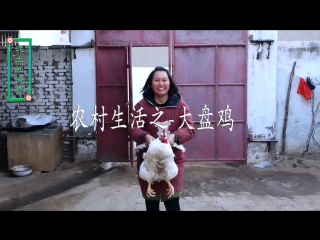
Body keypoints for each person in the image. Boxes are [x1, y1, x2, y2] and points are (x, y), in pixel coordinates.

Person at [128, 66, 195, 211]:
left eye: (164, 80)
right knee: (151, 206)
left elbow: (189, 128)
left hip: (171, 163)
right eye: (156, 80)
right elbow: (132, 129)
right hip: (149, 163)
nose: (161, 83)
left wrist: (174, 137)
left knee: (172, 204)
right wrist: (145, 136)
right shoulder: (141, 106)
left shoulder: (180, 106)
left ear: (170, 83)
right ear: (150, 84)